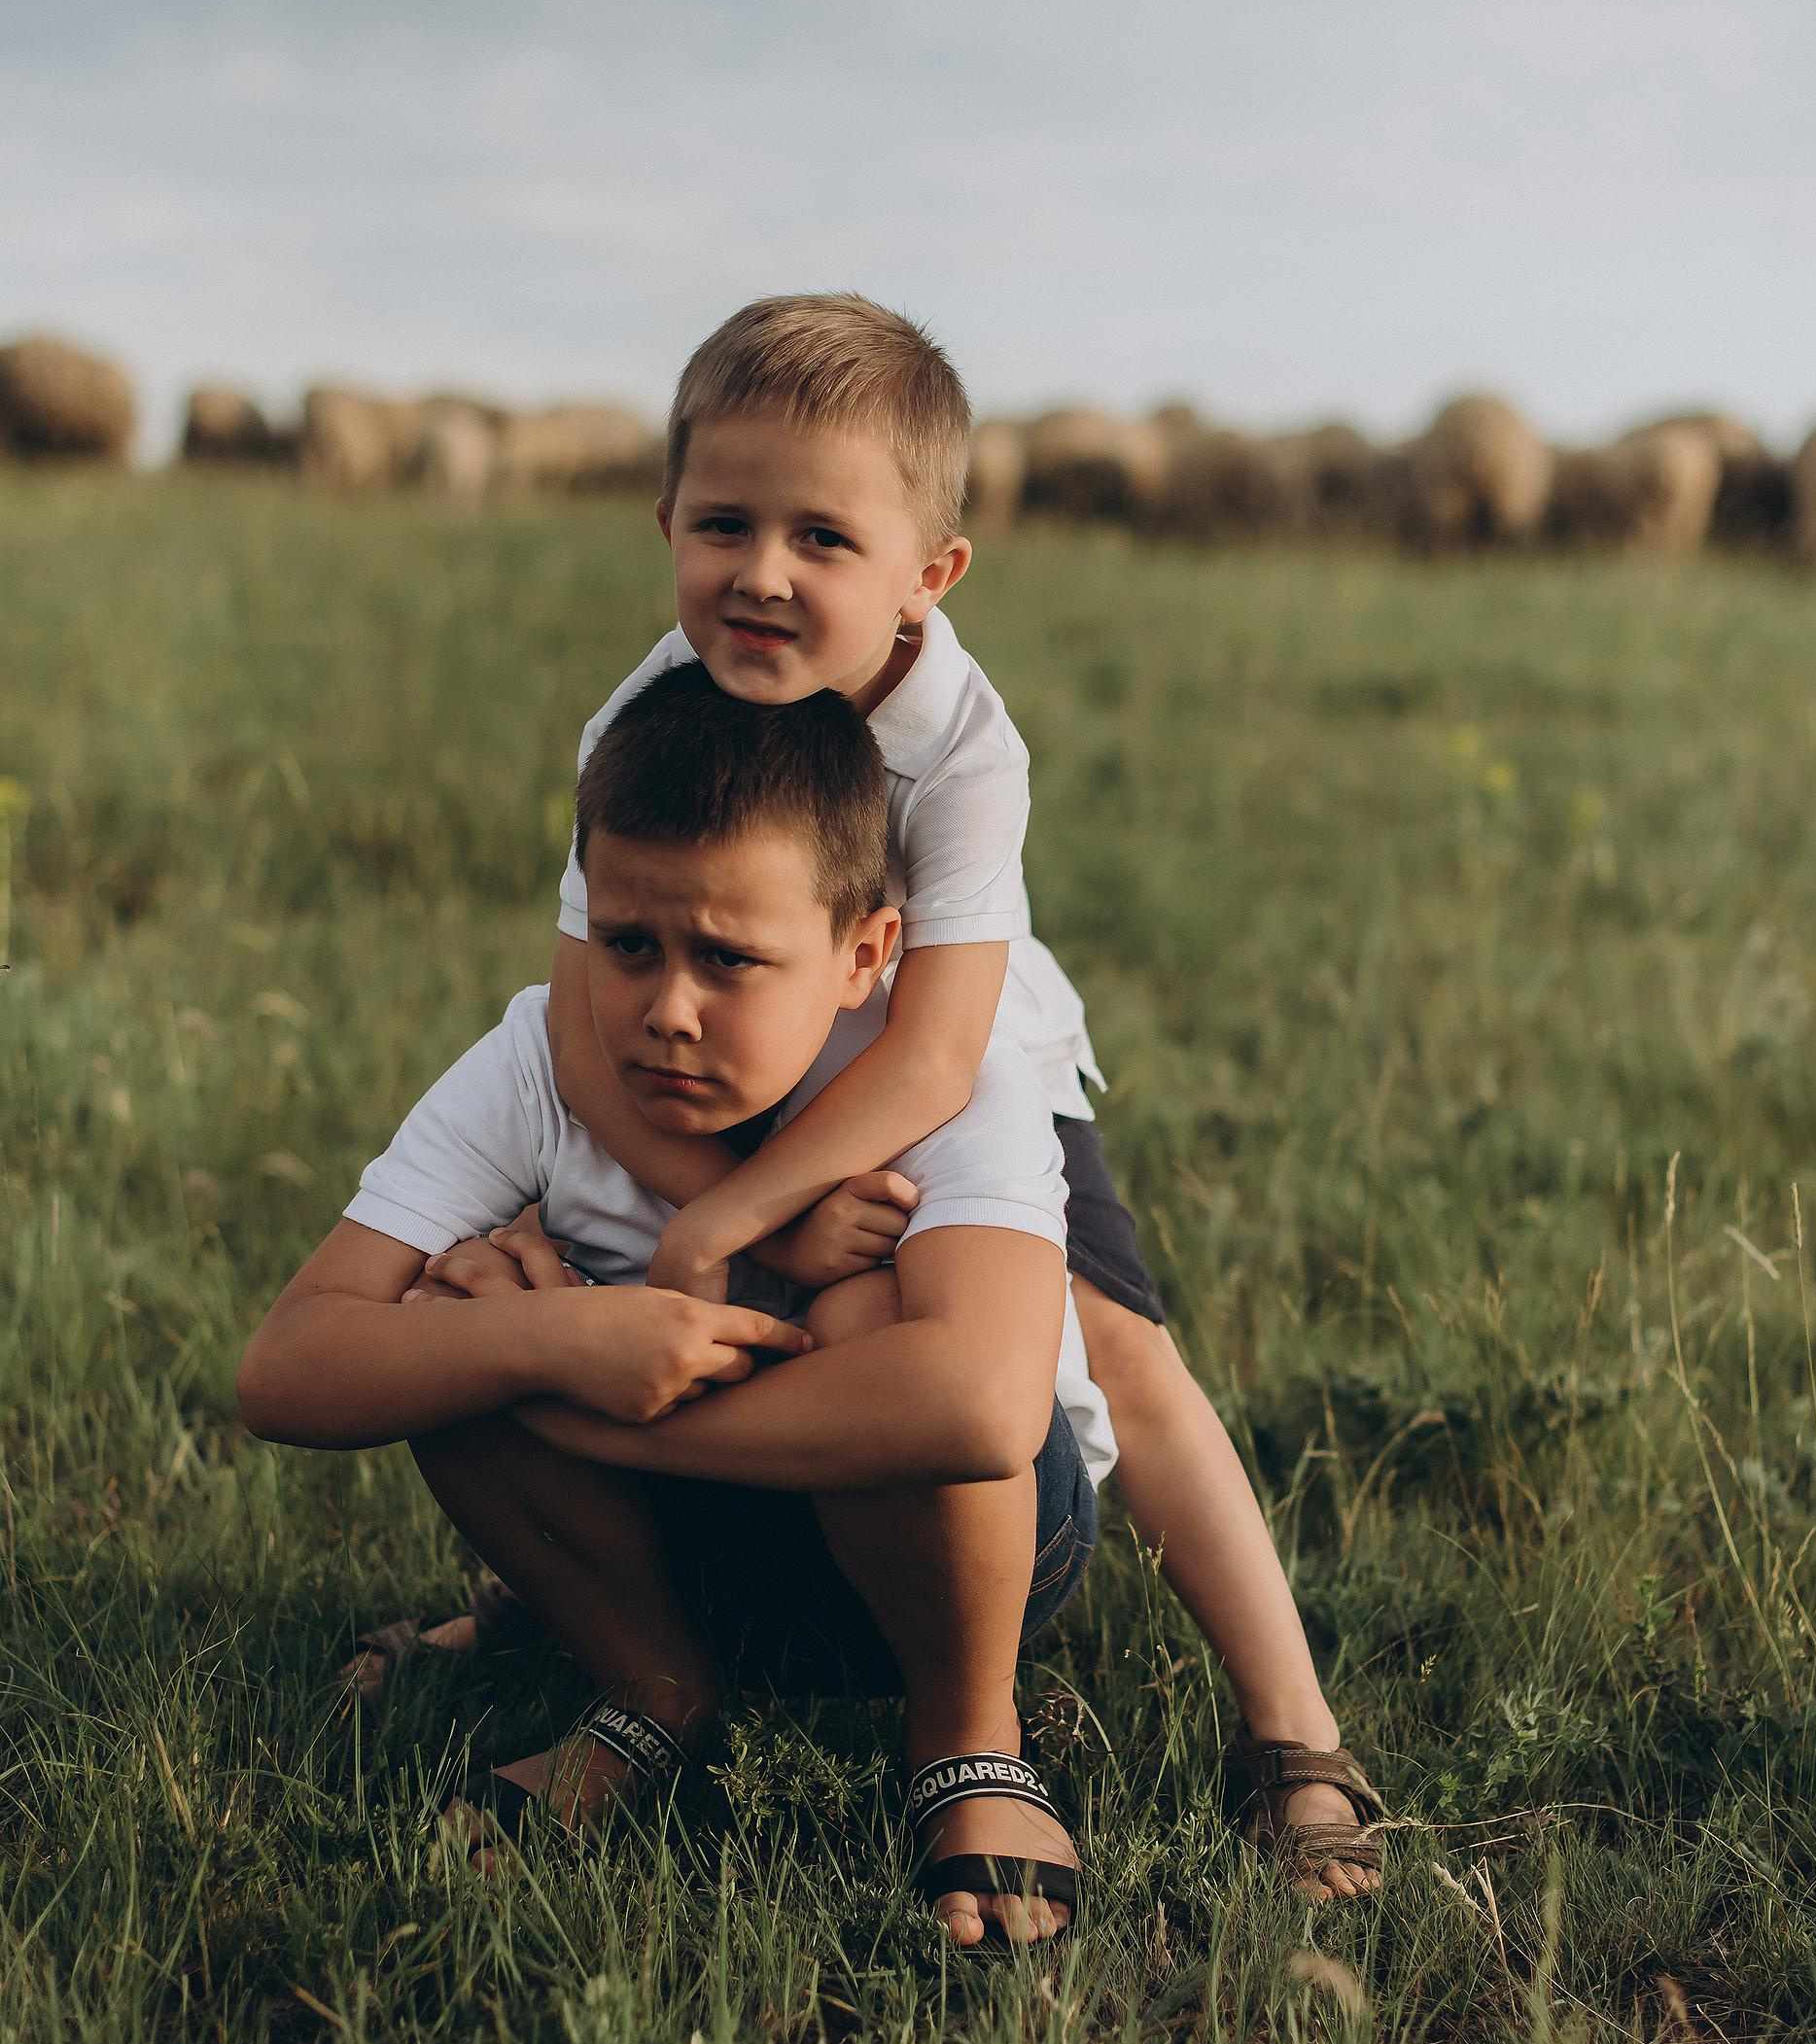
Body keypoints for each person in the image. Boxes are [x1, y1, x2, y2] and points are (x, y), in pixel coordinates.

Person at [529, 293, 1383, 1895]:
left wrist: (735, 1212)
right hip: (708, 1054)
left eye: (823, 539)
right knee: (563, 1272)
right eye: (723, 524)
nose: (763, 572)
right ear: (664, 526)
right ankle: (585, 1593)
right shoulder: (640, 720)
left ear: (931, 571)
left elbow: (934, 1054)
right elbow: (586, 1019)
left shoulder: (966, 750)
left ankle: (1291, 1726)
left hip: (956, 1055)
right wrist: (713, 1212)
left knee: (1114, 1344)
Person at [237, 666, 1113, 1948]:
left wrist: (595, 1400)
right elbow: (286, 1369)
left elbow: (981, 1409)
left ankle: (968, 1737)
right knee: (464, 1310)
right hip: (678, 1566)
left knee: (878, 1324)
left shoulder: (941, 1084)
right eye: (630, 946)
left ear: (866, 954)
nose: (668, 1012)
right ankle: (651, 1691)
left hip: (966, 1564)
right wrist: (546, 1340)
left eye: (731, 961)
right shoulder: (536, 1065)